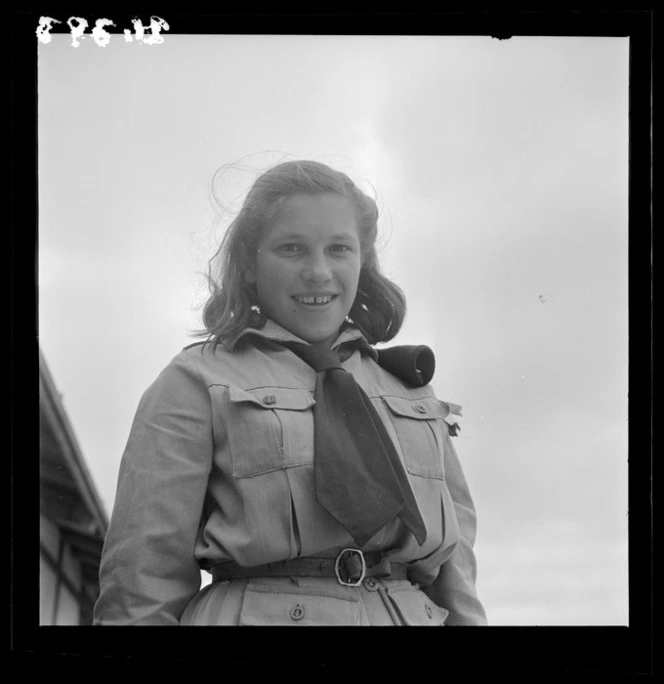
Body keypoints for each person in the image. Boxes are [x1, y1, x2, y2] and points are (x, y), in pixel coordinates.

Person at [94, 160, 487, 626]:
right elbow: (141, 587)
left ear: (362, 260)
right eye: (292, 248)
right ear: (250, 264)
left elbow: (456, 575)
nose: (319, 271)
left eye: (339, 248)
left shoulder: (412, 388)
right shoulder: (194, 381)